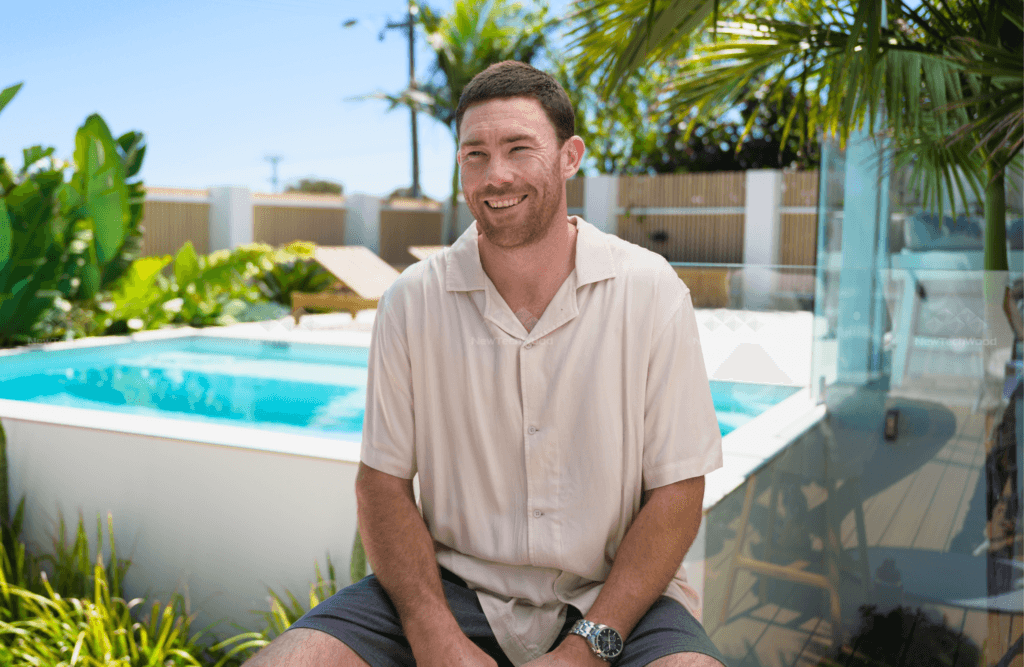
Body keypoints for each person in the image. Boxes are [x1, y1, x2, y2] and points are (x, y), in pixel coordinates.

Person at [242, 60, 727, 667]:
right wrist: (433, 633)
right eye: (475, 155)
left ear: (569, 156)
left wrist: (587, 648)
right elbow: (382, 485)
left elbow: (678, 490)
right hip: (449, 588)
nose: (496, 175)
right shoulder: (412, 301)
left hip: (616, 595)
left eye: (519, 148)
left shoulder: (650, 291)